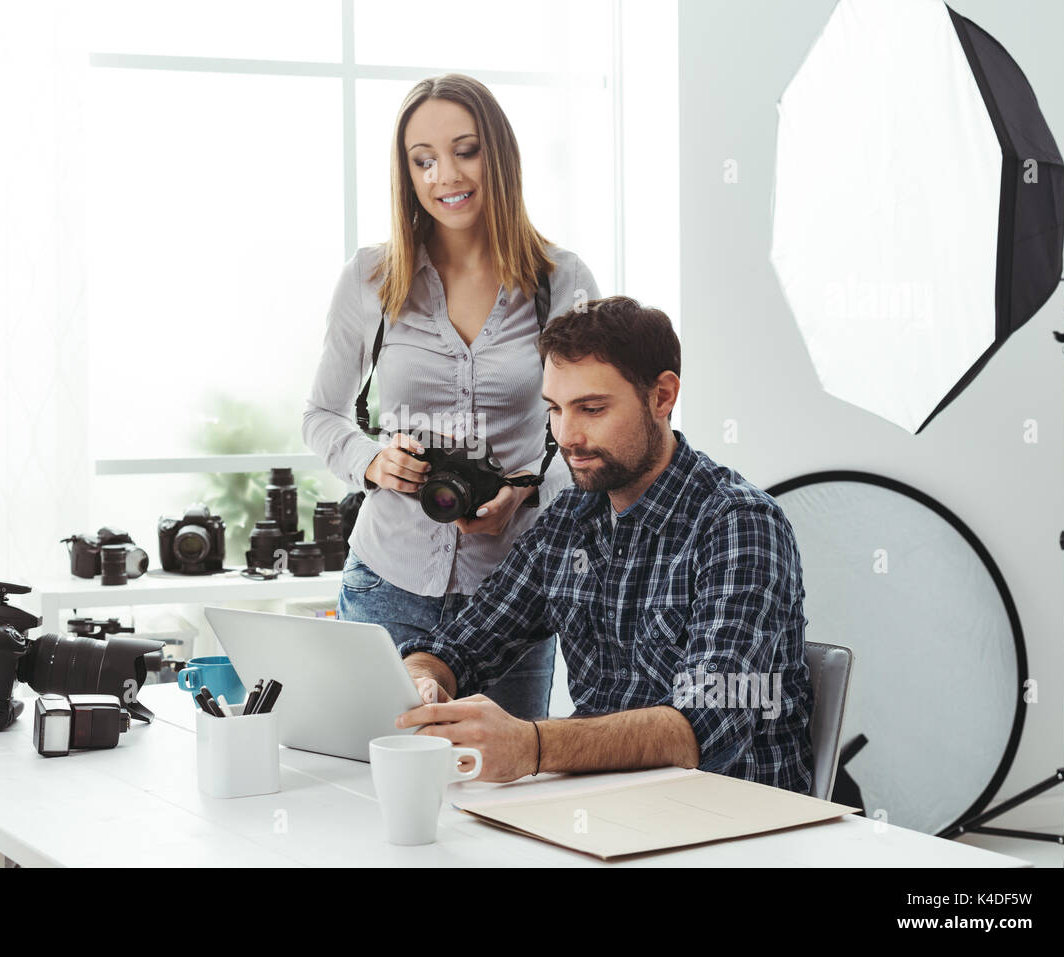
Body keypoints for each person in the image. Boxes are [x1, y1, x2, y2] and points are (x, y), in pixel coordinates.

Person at [394, 296, 816, 793]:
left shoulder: (739, 525)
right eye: (554, 410)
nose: (568, 436)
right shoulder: (573, 518)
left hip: (733, 822)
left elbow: (707, 728)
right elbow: (458, 648)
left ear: (662, 396)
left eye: (591, 409)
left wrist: (532, 746)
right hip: (604, 805)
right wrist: (423, 679)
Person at [302, 74, 599, 721]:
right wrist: (373, 461)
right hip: (386, 584)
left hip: (511, 596)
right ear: (406, 173)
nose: (445, 175)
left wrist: (524, 492)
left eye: (465, 150)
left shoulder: (561, 281)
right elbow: (321, 415)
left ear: (499, 154)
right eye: (423, 159)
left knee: (502, 793)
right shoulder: (371, 278)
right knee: (367, 787)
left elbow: (592, 438)